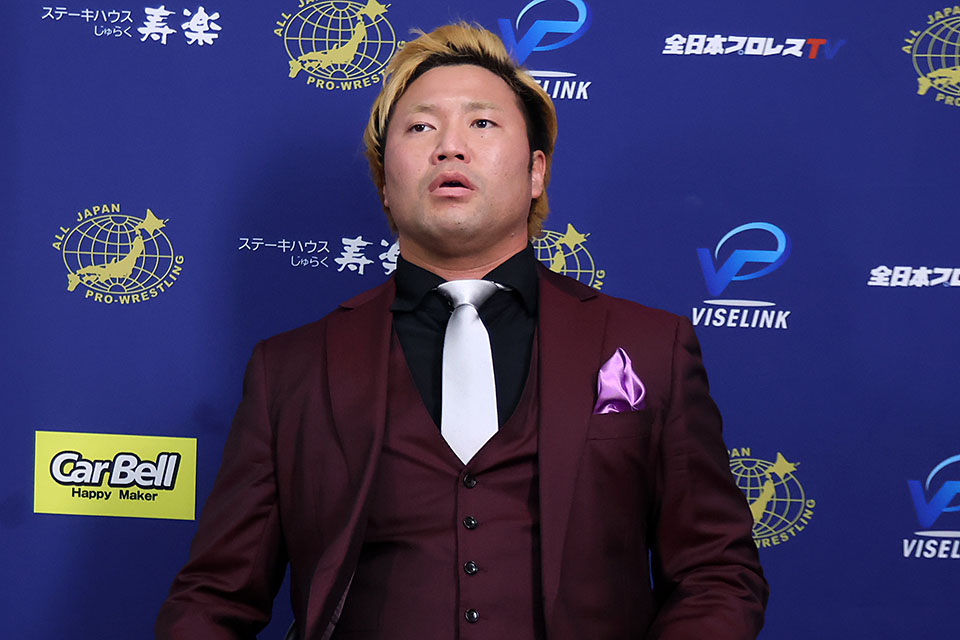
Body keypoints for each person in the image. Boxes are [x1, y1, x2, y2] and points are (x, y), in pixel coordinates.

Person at [156, 22, 767, 640]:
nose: (450, 147)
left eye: (481, 123)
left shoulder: (652, 346)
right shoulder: (290, 369)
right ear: (385, 183)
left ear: (535, 172)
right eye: (421, 127)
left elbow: (717, 573)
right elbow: (213, 599)